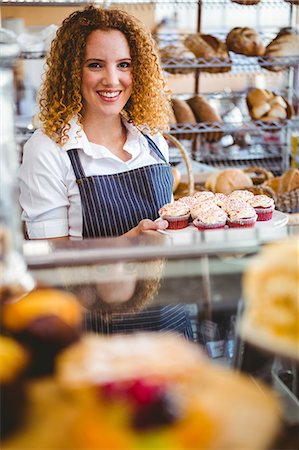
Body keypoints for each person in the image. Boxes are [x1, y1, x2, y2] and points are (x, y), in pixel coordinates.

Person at [18, 5, 173, 240]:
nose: (112, 80)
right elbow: (51, 263)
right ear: (72, 72)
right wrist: (128, 244)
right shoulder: (47, 151)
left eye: (124, 64)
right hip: (89, 279)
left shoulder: (152, 140)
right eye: (95, 65)